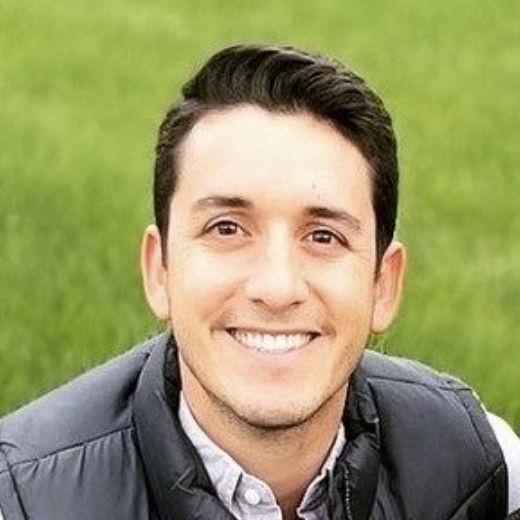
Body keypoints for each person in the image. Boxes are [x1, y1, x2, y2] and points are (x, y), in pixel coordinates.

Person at [0, 44, 519, 520]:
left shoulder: (481, 465)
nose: (277, 287)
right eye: (227, 229)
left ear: (383, 283)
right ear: (159, 270)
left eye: (323, 236)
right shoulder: (22, 501)